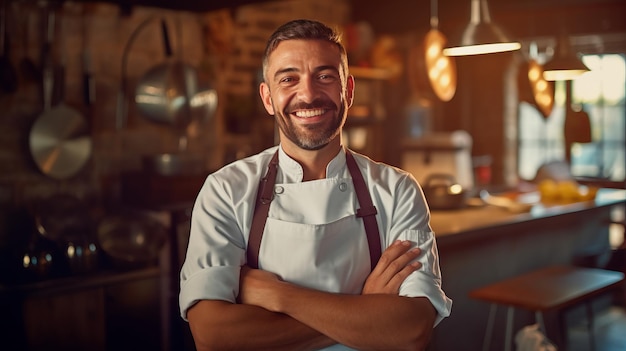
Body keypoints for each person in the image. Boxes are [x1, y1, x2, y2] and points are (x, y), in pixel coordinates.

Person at [179, 19, 452, 351]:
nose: (307, 94)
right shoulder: (225, 190)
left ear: (348, 91)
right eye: (289, 79)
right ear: (267, 97)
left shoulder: (398, 191)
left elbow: (411, 330)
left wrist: (279, 295)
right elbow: (213, 335)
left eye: (324, 76)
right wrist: (363, 311)